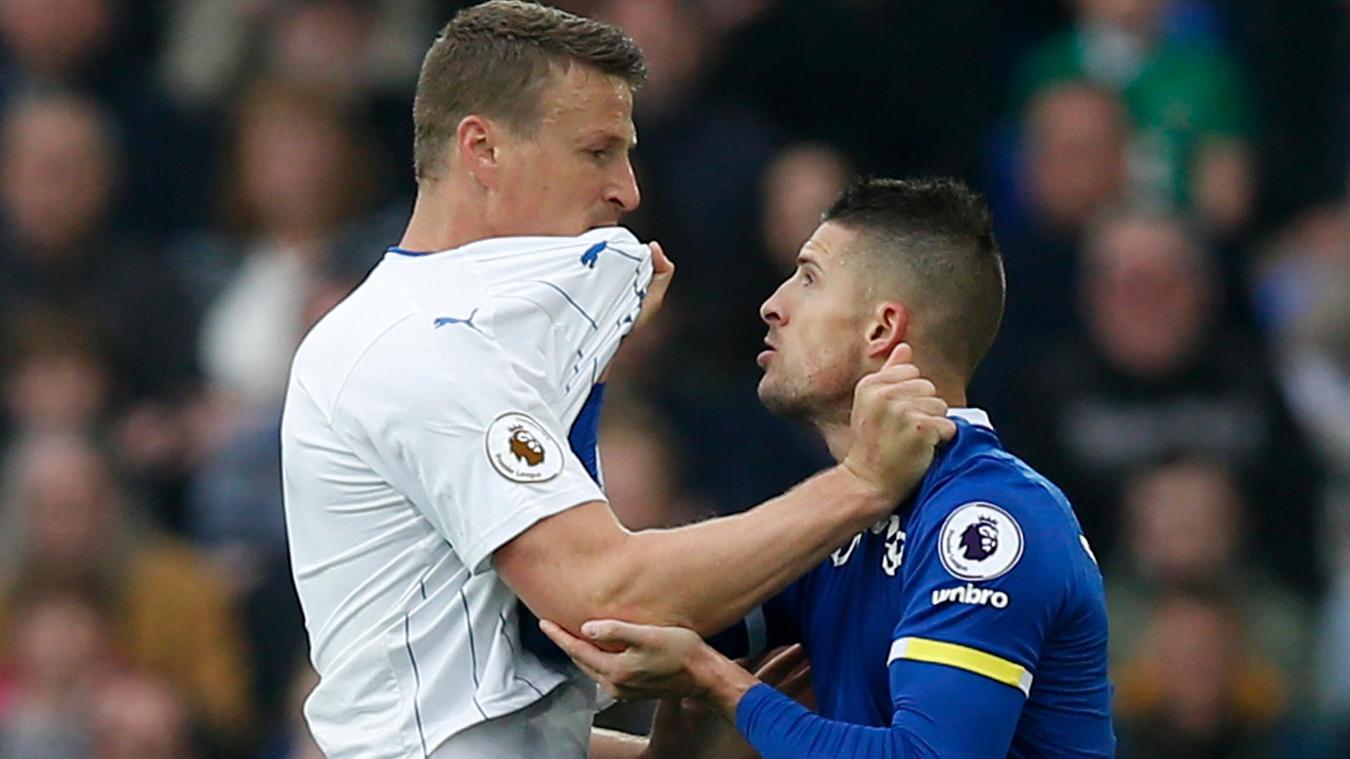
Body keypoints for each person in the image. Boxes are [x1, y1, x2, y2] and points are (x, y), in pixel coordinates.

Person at [280, 3, 954, 758]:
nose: (628, 191)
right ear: (483, 149)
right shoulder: (429, 348)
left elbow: (480, 703)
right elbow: (605, 598)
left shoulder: (451, 336)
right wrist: (860, 485)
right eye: (597, 152)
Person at [543, 178, 1115, 757]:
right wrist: (594, 364)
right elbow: (604, 611)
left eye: (809, 278)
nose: (773, 305)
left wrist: (719, 682)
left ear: (881, 329)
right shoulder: (846, 518)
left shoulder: (986, 520)